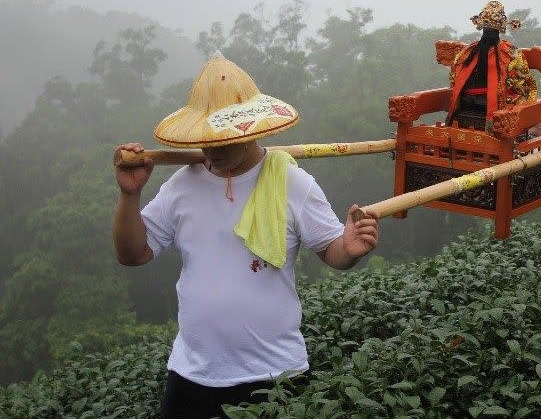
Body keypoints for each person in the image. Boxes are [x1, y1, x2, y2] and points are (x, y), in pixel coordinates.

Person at [113, 52, 379, 419]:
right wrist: (130, 194)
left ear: (251, 129)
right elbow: (133, 253)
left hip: (276, 375)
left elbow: (330, 249)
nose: (211, 150)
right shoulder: (181, 186)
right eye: (206, 139)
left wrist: (347, 249)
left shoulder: (292, 183)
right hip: (193, 375)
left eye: (223, 140)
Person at [444, 0, 538, 131]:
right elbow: (525, 87)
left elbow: (454, 82)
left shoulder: (468, 52)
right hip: (493, 114)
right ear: (499, 30)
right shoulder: (511, 53)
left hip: (465, 108)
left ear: (483, 29)